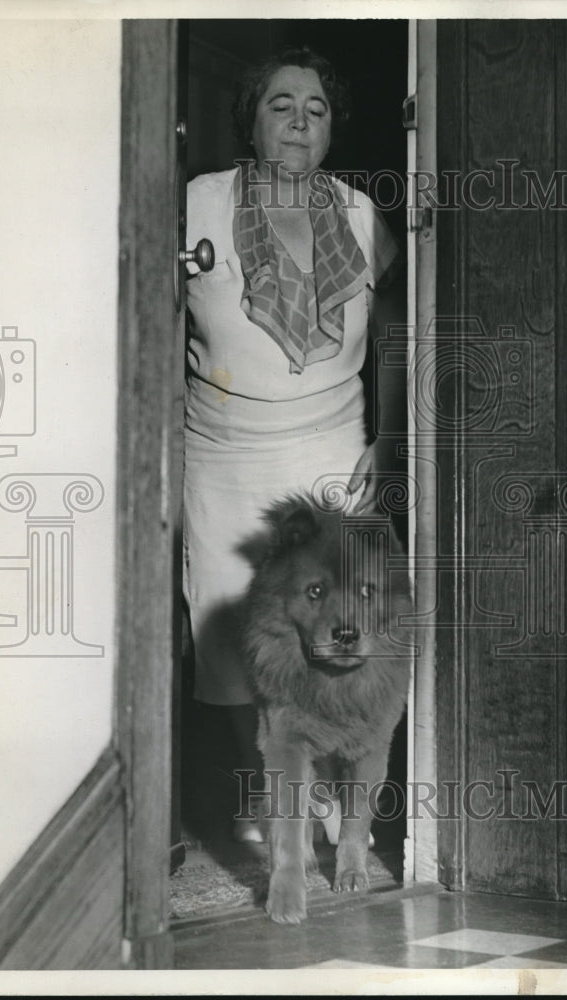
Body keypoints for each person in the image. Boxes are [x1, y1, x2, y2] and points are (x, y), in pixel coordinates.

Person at [183, 46, 404, 843]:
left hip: (327, 444)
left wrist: (386, 439)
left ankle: (322, 800)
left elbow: (394, 332)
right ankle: (264, 795)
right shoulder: (198, 204)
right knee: (227, 625)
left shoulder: (360, 215)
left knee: (330, 623)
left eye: (316, 108)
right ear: (252, 119)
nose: (299, 121)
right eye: (282, 104)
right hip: (220, 449)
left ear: (333, 127)